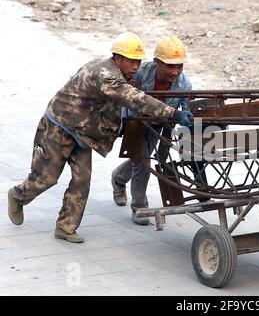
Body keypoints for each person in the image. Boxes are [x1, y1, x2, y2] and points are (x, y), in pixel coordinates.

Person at [7, 32, 193, 243]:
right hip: (58, 127)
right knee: (46, 178)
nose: (135, 67)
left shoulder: (119, 72)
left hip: (84, 132)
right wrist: (172, 113)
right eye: (131, 62)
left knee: (82, 180)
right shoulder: (107, 75)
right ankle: (18, 195)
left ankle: (66, 227)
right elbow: (135, 99)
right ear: (118, 58)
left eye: (138, 62)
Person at [111, 35, 202, 225]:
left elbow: (185, 108)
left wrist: (187, 117)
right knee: (143, 162)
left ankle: (118, 178)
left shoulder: (185, 84)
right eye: (170, 66)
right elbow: (121, 92)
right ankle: (140, 208)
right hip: (135, 122)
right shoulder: (140, 74)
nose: (175, 71)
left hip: (159, 124)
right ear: (156, 62)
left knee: (141, 158)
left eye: (179, 66)